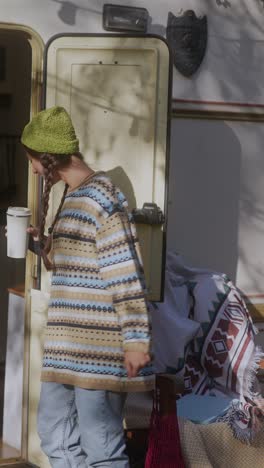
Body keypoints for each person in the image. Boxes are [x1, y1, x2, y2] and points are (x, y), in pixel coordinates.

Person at [21, 106, 154, 468]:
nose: (32, 169)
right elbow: (73, 265)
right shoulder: (72, 195)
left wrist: (136, 341)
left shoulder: (102, 197)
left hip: (98, 348)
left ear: (47, 159)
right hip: (64, 346)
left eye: (32, 161)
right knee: (55, 436)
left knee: (101, 449)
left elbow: (125, 272)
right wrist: (43, 246)